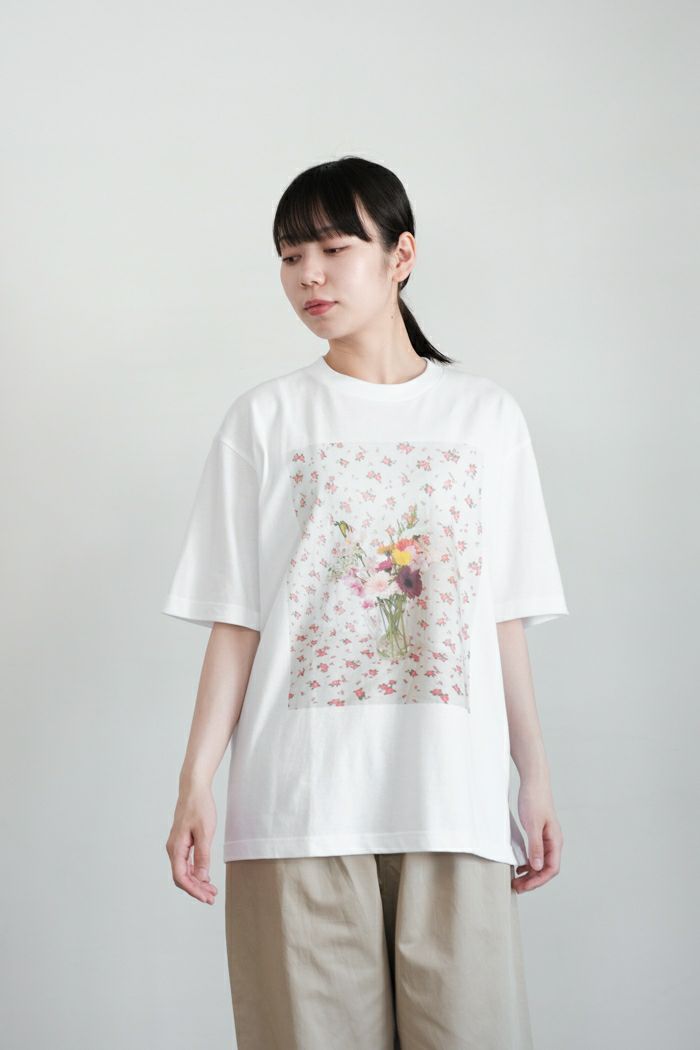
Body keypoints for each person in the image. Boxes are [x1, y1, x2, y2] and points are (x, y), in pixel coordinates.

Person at [162, 155, 569, 1050]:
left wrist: (533, 776)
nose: (308, 275)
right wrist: (195, 782)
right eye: (289, 256)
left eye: (333, 248)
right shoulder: (265, 421)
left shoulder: (486, 419)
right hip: (299, 805)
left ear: (401, 255)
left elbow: (502, 617)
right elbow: (238, 621)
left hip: (451, 796)